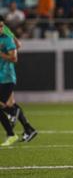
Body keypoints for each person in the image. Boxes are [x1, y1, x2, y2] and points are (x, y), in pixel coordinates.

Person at [0, 15, 37, 146]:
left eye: (1, 26)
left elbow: (15, 52)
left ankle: (12, 131)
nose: (1, 28)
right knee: (11, 104)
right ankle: (28, 129)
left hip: (6, 76)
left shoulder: (6, 36)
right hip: (2, 76)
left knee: (8, 106)